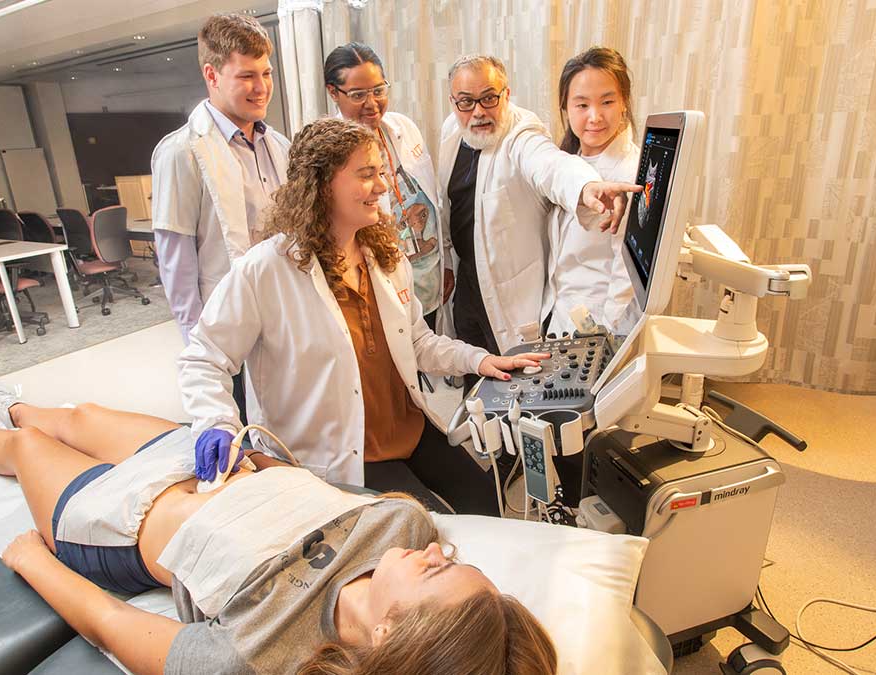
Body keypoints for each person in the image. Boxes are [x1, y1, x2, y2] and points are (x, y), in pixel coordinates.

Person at [0, 381, 557, 675]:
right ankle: (19, 402)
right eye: (452, 557)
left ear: (392, 633)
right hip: (207, 468)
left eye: (438, 571)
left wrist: (30, 559)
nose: (436, 553)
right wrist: (243, 450)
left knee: (23, 448)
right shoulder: (405, 524)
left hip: (120, 521)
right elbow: (306, 487)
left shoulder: (265, 657)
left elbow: (116, 625)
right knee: (80, 412)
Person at [178, 118, 546, 516]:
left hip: (407, 429)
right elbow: (205, 357)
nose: (383, 187)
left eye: (381, 173)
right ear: (321, 184)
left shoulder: (382, 257)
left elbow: (417, 342)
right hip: (340, 453)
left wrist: (480, 359)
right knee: (425, 529)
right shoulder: (266, 270)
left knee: (487, 503)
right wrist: (216, 421)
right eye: (367, 175)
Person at [437, 55, 640, 392]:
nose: (478, 111)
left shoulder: (521, 132)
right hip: (467, 288)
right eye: (466, 101)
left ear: (506, 93)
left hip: (510, 297)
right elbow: (447, 205)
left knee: (511, 394)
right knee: (476, 391)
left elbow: (549, 166)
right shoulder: (452, 131)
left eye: (489, 98)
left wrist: (585, 187)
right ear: (453, 102)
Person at [152, 14, 290, 419]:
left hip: (283, 317)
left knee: (287, 424)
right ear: (212, 75)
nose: (262, 87)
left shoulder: (278, 144)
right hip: (226, 324)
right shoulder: (181, 152)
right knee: (245, 433)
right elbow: (176, 264)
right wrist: (201, 350)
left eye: (266, 72)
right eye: (247, 76)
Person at [324, 42, 452, 329]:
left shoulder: (403, 128)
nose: (372, 104)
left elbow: (431, 197)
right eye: (358, 95)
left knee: (433, 356)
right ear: (333, 92)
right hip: (383, 290)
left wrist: (446, 264)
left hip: (430, 281)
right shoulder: (330, 151)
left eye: (379, 90)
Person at [544, 47, 643, 336]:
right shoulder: (567, 163)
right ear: (565, 107)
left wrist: (604, 335)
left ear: (624, 102)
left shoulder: (630, 174)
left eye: (607, 101)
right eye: (582, 105)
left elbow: (627, 274)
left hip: (600, 327)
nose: (595, 116)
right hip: (563, 316)